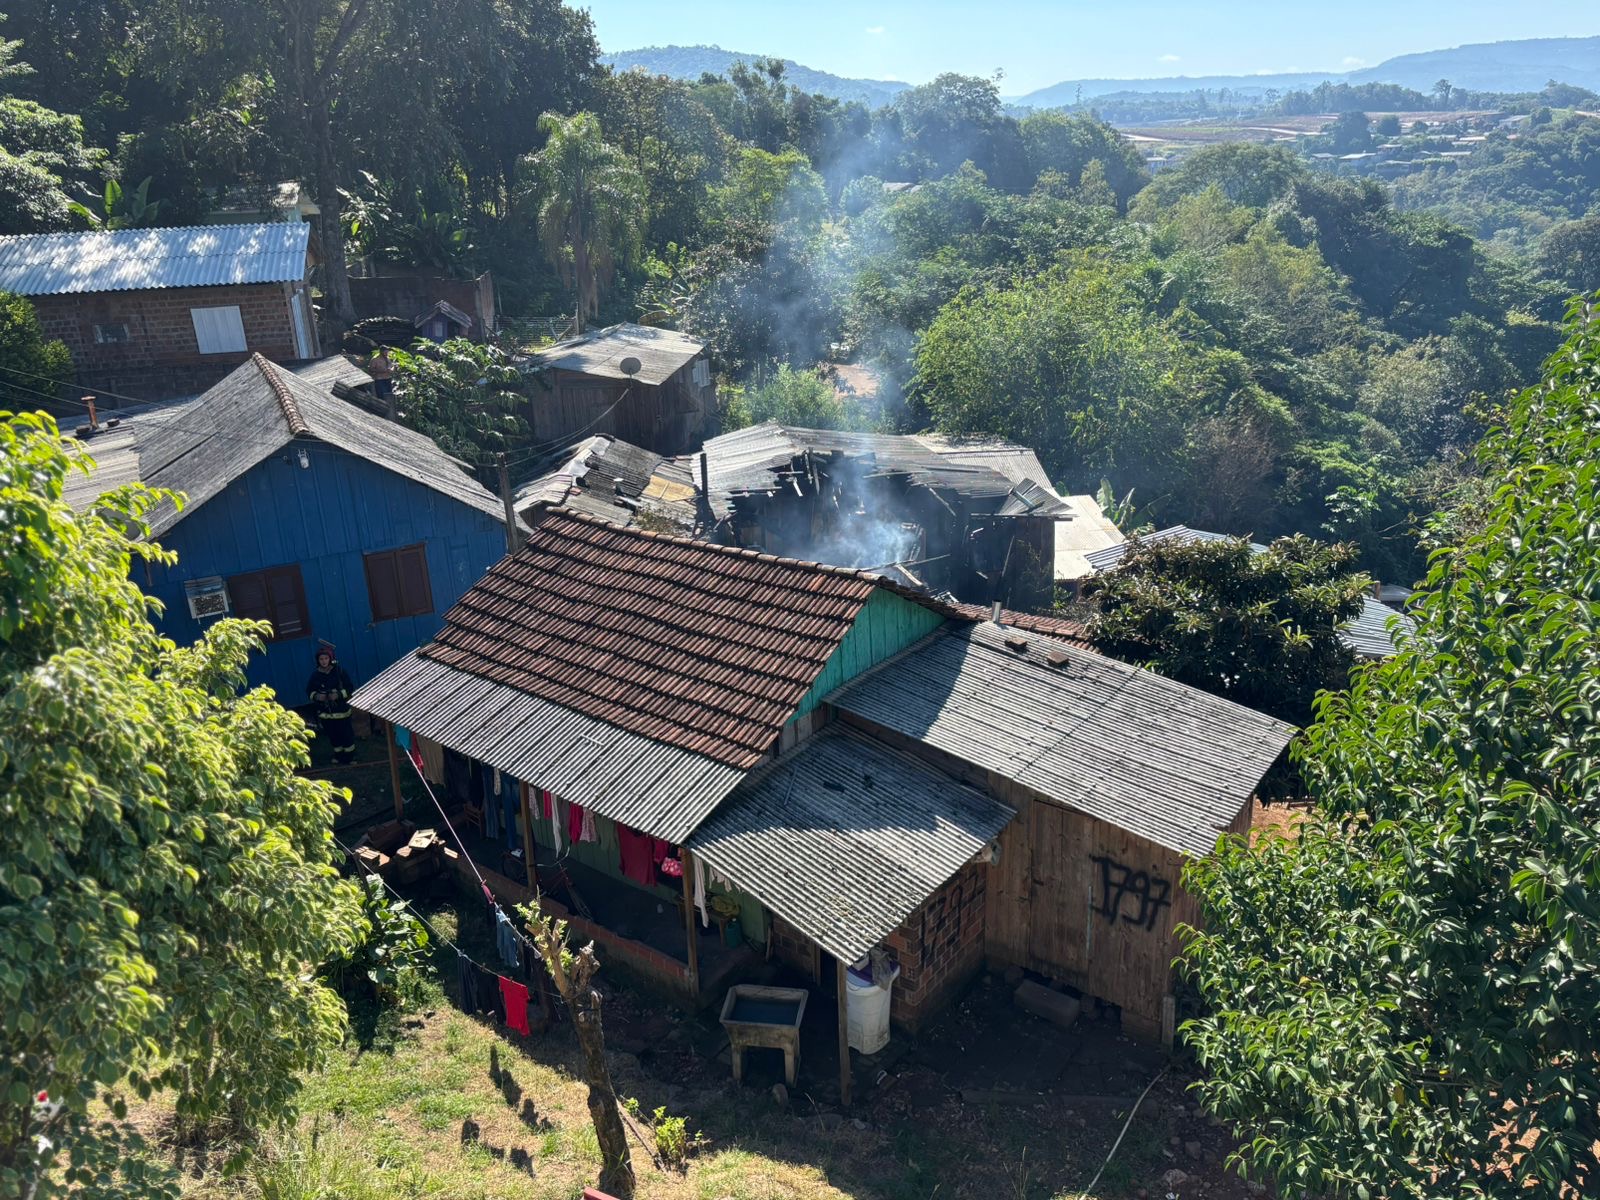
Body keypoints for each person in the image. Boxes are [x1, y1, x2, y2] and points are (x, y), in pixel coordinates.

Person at [306, 648, 356, 765]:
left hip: (341, 710)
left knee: (346, 734)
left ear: (331, 659)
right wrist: (317, 696)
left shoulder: (339, 671)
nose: (324, 661)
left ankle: (350, 757)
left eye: (326, 658)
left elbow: (349, 688)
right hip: (325, 712)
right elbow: (309, 691)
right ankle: (338, 756)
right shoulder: (316, 675)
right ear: (318, 661)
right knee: (333, 735)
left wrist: (338, 695)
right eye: (321, 659)